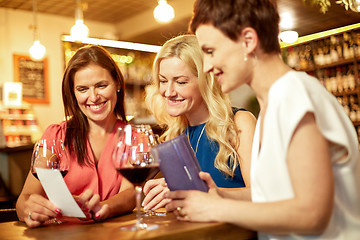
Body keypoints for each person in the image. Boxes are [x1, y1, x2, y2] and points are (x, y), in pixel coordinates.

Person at [164, 0, 360, 239]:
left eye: (211, 51)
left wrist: (217, 207)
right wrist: (217, 194)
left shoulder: (293, 95)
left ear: (248, 41)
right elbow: (271, 196)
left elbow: (313, 214)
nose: (206, 66)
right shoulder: (274, 101)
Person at [16, 45, 136, 228]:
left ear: (117, 83)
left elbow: (130, 194)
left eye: (101, 86)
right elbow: (24, 199)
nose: (93, 97)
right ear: (73, 93)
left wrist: (100, 209)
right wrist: (29, 209)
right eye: (82, 89)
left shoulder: (133, 137)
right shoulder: (54, 136)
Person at [141, 34, 256, 211]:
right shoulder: (177, 132)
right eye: (163, 81)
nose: (168, 92)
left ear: (206, 82)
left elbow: (262, 196)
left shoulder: (239, 122)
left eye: (180, 82)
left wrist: (212, 194)